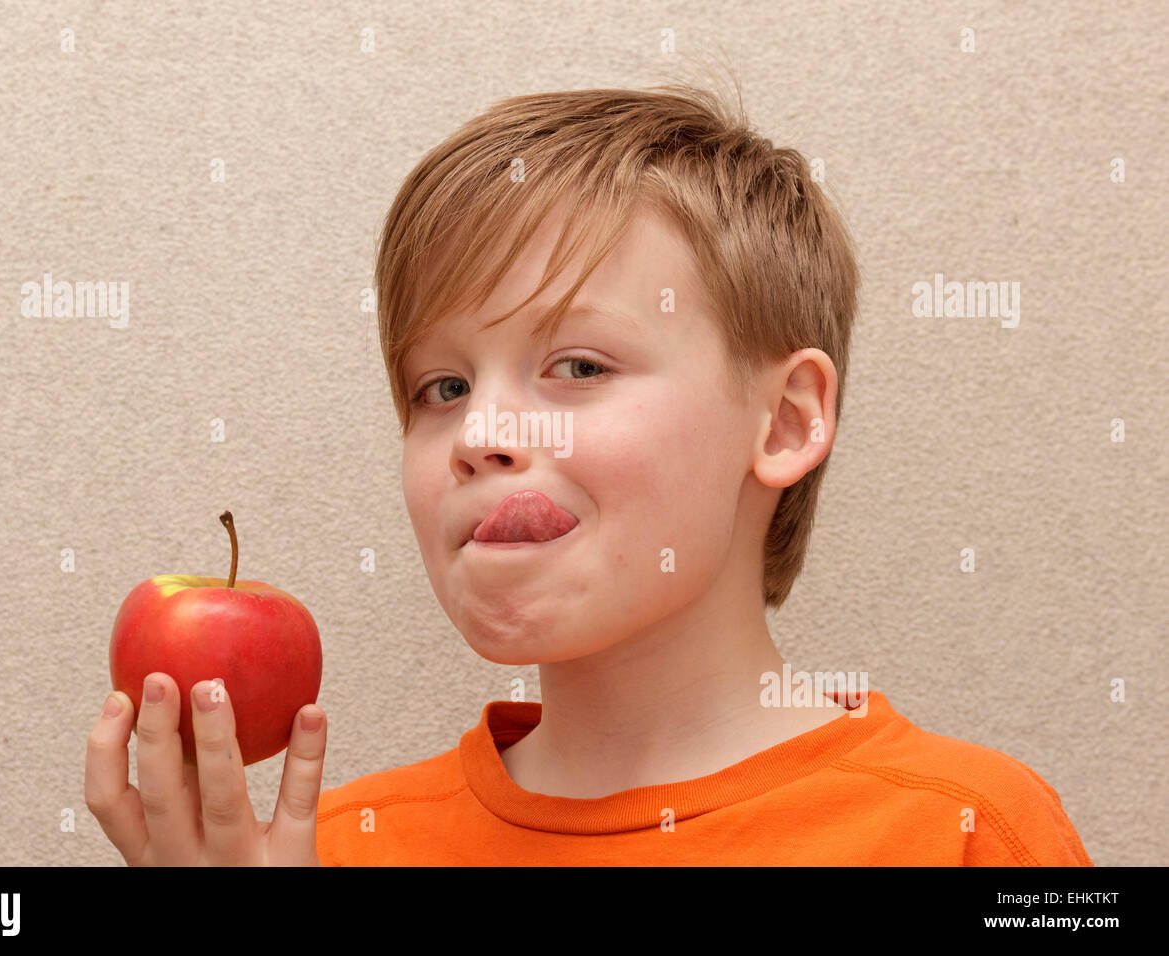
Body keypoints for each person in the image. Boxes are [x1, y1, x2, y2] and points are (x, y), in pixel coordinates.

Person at [86, 83, 1092, 866]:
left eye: (577, 366)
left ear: (783, 420)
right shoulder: (319, 847)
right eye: (439, 386)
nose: (480, 431)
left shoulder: (971, 830)